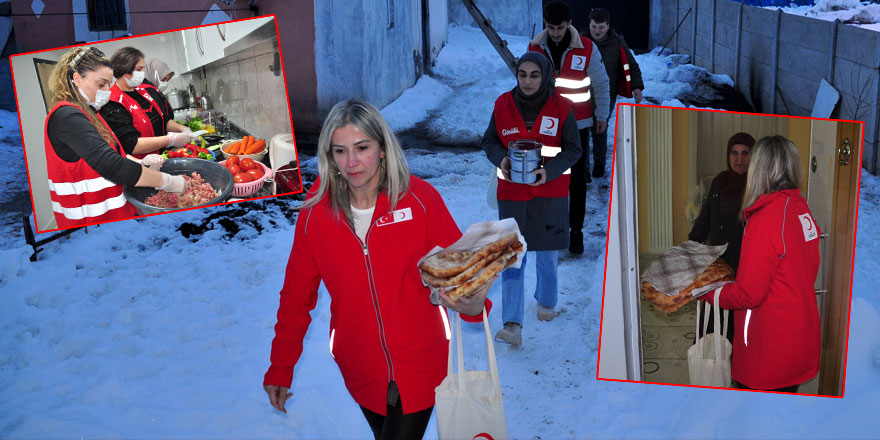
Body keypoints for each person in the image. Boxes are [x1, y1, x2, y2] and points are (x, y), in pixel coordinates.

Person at [263, 100, 494, 439]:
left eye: (362, 148)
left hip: (422, 363)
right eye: (340, 151)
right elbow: (296, 296)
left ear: (383, 148)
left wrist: (473, 307)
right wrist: (280, 368)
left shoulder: (420, 200)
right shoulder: (316, 215)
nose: (351, 162)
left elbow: (463, 274)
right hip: (360, 366)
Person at [700, 135, 820, 393]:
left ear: (760, 169)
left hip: (770, 346)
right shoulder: (800, 208)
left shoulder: (764, 220)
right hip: (799, 333)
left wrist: (707, 292)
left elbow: (748, 295)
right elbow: (801, 271)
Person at [482, 51, 582, 346]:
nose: (527, 81)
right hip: (512, 195)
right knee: (512, 256)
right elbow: (489, 141)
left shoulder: (562, 107)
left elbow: (574, 149)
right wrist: (501, 159)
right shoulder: (503, 103)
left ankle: (546, 301)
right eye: (522, 74)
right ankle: (512, 324)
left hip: (550, 193)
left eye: (534, 75)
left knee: (547, 252)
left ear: (546, 76)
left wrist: (548, 172)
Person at [44, 46, 185, 229]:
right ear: (77, 79)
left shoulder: (90, 113)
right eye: (101, 84)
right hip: (92, 225)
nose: (106, 91)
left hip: (116, 219)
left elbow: (108, 153)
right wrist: (168, 182)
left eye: (108, 85)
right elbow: (111, 165)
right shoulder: (66, 116)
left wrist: (138, 163)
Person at [527, 1, 610, 255]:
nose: (555, 33)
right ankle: (551, 228)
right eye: (550, 27)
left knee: (576, 181)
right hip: (546, 128)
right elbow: (526, 86)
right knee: (547, 177)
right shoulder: (534, 48)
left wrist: (602, 115)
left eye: (559, 27)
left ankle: (576, 232)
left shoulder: (587, 48)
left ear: (569, 24)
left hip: (578, 125)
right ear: (545, 25)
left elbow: (601, 82)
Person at [689, 132, 755, 344]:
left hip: (743, 264)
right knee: (711, 311)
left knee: (735, 318)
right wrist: (690, 245)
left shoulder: (758, 187)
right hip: (715, 259)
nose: (739, 159)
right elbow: (706, 215)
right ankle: (709, 357)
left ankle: (733, 362)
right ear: (728, 155)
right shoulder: (720, 180)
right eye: (734, 153)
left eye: (745, 153)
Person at [584, 7, 645, 179]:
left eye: (601, 27)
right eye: (594, 26)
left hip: (606, 95)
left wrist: (636, 87)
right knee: (582, 132)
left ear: (608, 26)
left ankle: (599, 165)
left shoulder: (616, 42)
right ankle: (584, 169)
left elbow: (631, 65)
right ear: (589, 25)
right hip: (582, 95)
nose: (597, 31)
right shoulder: (580, 41)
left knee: (599, 129)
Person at [100, 47, 193, 160]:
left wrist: (183, 129)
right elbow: (130, 144)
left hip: (162, 158)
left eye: (142, 69)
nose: (142, 74)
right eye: (138, 70)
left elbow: (162, 121)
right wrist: (170, 140)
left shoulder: (146, 90)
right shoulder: (112, 101)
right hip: (140, 166)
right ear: (125, 71)